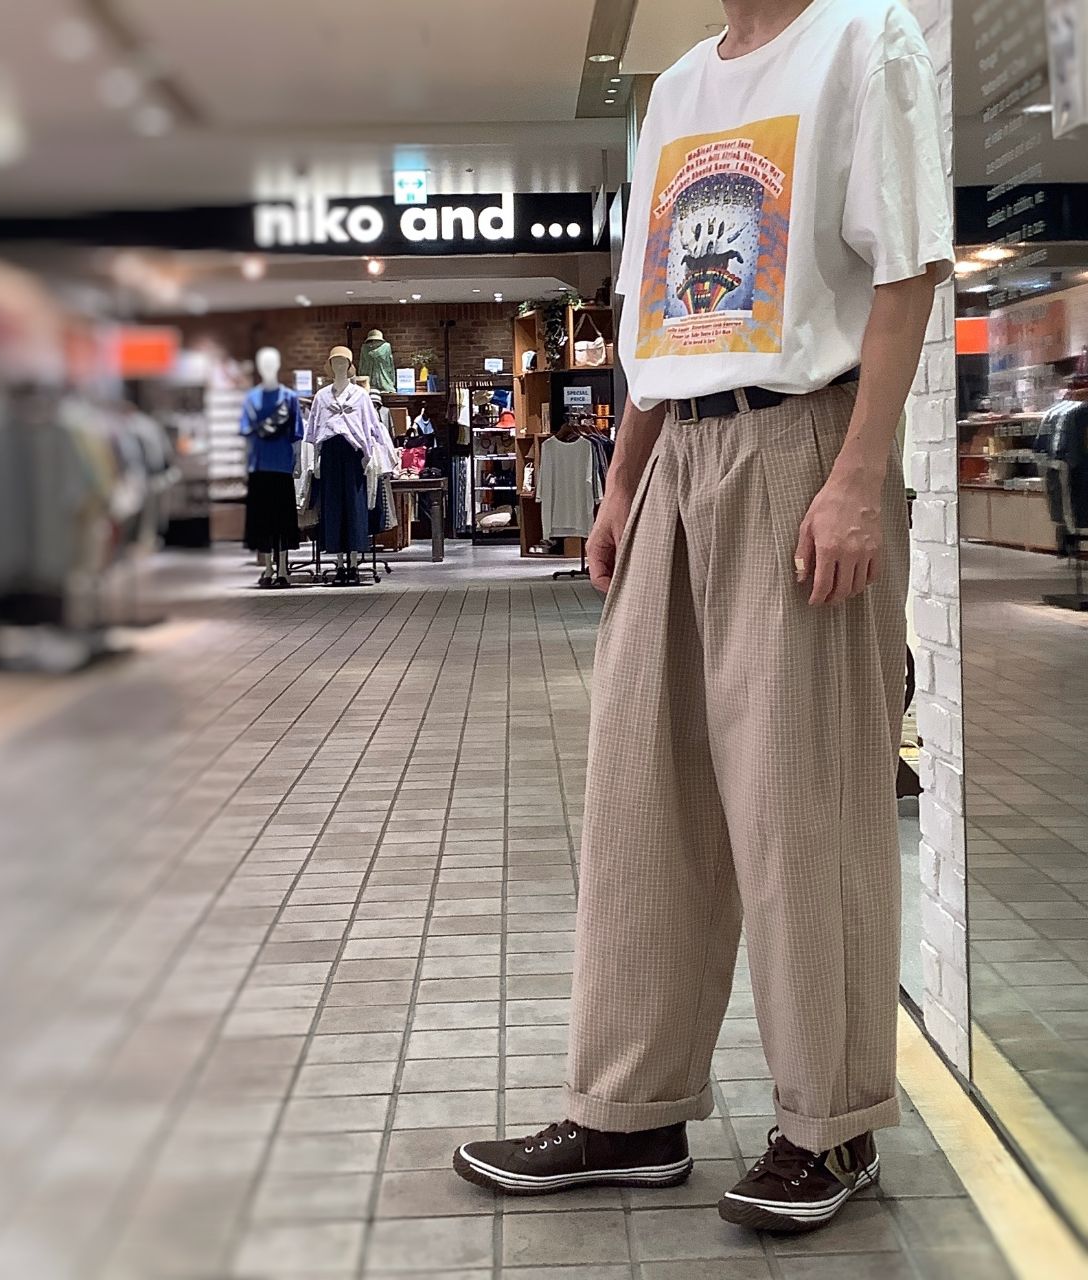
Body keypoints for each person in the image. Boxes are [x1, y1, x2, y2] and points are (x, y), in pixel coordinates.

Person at [453, 0, 952, 1234]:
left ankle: (829, 1123)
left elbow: (904, 273)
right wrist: (624, 478)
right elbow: (656, 316)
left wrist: (857, 474)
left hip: (804, 441)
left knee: (801, 799)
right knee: (641, 790)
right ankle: (629, 1107)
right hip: (678, 448)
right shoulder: (675, 87)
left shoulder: (864, 38)